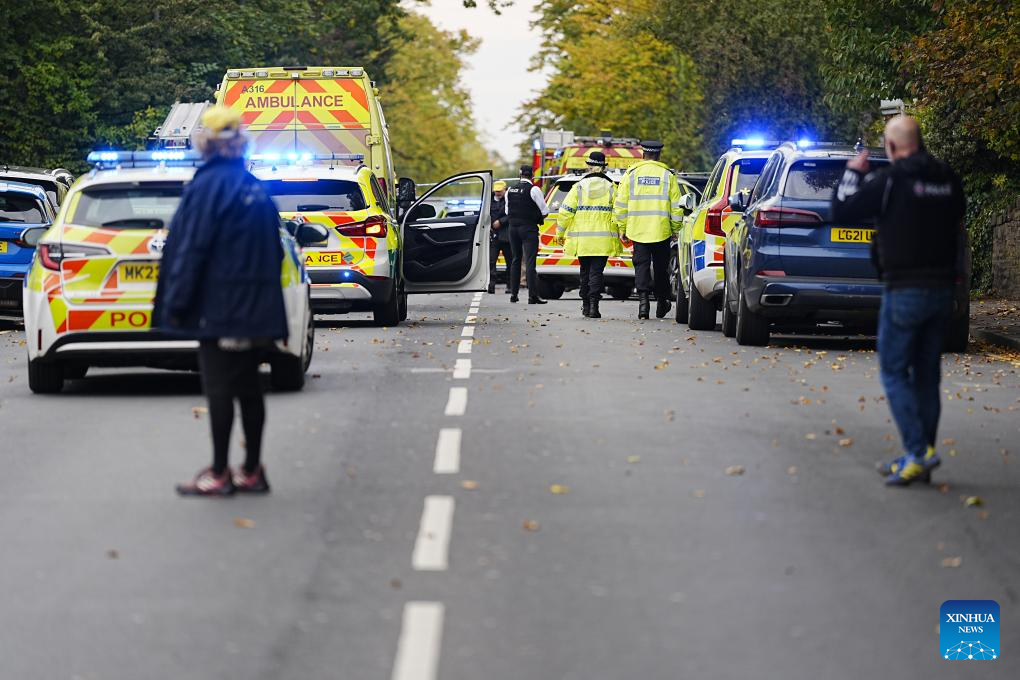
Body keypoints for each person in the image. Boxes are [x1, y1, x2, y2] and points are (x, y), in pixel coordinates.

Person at [154, 105, 289, 497]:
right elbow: (276, 252)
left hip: (220, 307)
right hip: (256, 308)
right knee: (248, 386)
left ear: (205, 144)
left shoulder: (206, 187)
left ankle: (218, 473)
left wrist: (176, 303)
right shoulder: (254, 188)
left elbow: (191, 249)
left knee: (219, 389)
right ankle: (252, 470)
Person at [831, 115, 966, 487]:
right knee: (927, 375)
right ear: (919, 141)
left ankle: (918, 452)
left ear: (891, 147)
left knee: (893, 371)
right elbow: (958, 214)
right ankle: (920, 457)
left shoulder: (890, 180)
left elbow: (842, 210)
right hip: (942, 291)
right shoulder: (947, 178)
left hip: (905, 288)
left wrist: (853, 173)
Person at [613, 140, 684, 319]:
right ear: (659, 155)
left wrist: (622, 227)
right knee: (661, 269)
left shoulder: (631, 174)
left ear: (643, 154)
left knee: (641, 267)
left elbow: (621, 204)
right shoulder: (668, 175)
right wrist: (675, 229)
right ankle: (661, 301)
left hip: (638, 230)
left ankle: (643, 305)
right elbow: (676, 206)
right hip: (661, 230)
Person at [555, 152, 623, 318]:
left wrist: (560, 233)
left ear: (589, 166)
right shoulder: (612, 187)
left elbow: (565, 212)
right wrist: (622, 231)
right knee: (596, 273)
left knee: (585, 272)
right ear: (603, 167)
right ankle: (594, 306)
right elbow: (620, 213)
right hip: (603, 239)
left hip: (582, 239)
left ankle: (586, 305)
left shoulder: (578, 187)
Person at [504, 164, 549, 304]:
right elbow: (545, 211)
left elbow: (507, 211)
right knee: (530, 262)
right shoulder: (534, 189)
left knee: (515, 260)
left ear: (520, 174)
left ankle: (514, 294)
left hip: (513, 229)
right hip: (528, 229)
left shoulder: (510, 190)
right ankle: (532, 296)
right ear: (532, 175)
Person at [488, 180, 512, 294]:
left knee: (510, 262)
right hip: (494, 236)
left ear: (505, 190)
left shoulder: (509, 200)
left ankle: (510, 286)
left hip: (506, 236)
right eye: (496, 191)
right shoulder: (489, 201)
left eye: (500, 191)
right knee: (491, 261)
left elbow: (511, 214)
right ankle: (491, 285)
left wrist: (500, 222)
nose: (498, 193)